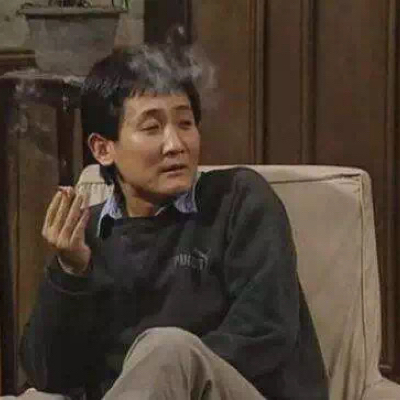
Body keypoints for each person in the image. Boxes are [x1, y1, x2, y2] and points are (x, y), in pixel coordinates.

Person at [19, 44, 328, 400]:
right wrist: (70, 273)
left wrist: (164, 373)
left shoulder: (239, 199)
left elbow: (266, 331)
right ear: (103, 149)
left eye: (185, 124)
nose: (175, 144)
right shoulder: (87, 236)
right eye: (152, 128)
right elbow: (47, 375)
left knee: (169, 352)